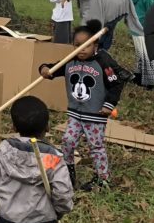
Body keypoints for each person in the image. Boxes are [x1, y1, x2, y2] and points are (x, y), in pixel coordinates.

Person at [39, 19, 128, 190]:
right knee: (67, 141)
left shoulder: (103, 61)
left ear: (95, 44)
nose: (81, 49)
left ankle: (102, 179)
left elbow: (116, 83)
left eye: (85, 45)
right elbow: (53, 69)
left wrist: (109, 104)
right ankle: (68, 174)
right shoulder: (70, 60)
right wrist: (44, 69)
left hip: (95, 115)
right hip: (75, 113)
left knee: (95, 145)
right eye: (77, 45)